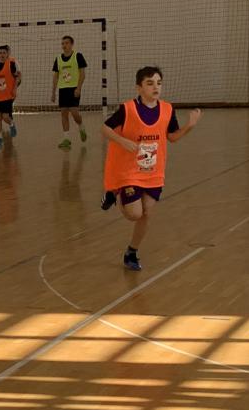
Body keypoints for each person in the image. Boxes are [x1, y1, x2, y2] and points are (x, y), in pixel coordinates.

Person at [101, 65, 202, 271]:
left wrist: (189, 126)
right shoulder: (128, 109)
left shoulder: (167, 109)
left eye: (158, 83)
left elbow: (172, 137)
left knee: (146, 212)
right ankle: (115, 191)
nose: (156, 87)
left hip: (153, 171)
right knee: (134, 214)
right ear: (139, 88)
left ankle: (132, 252)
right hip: (129, 171)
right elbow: (104, 128)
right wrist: (122, 141)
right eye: (150, 83)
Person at [51, 35, 89, 150]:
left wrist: (78, 88)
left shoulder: (78, 56)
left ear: (72, 44)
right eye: (62, 43)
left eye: (66, 43)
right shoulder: (58, 58)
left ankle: (81, 126)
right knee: (64, 113)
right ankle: (66, 138)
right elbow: (56, 76)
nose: (64, 45)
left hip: (73, 88)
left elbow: (82, 74)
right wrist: (53, 92)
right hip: (63, 89)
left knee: (74, 113)